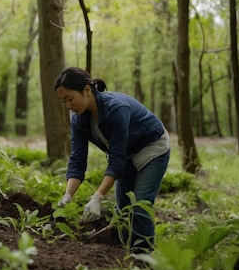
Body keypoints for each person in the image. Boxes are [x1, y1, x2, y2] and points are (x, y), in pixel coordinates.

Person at [54, 66, 170, 253]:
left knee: (140, 206)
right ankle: (122, 253)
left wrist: (97, 197)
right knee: (123, 209)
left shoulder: (116, 108)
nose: (68, 105)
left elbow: (116, 160)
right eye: (63, 101)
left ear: (86, 90)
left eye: (70, 98)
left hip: (152, 148)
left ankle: (143, 258)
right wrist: (68, 196)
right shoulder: (77, 119)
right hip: (128, 154)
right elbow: (77, 160)